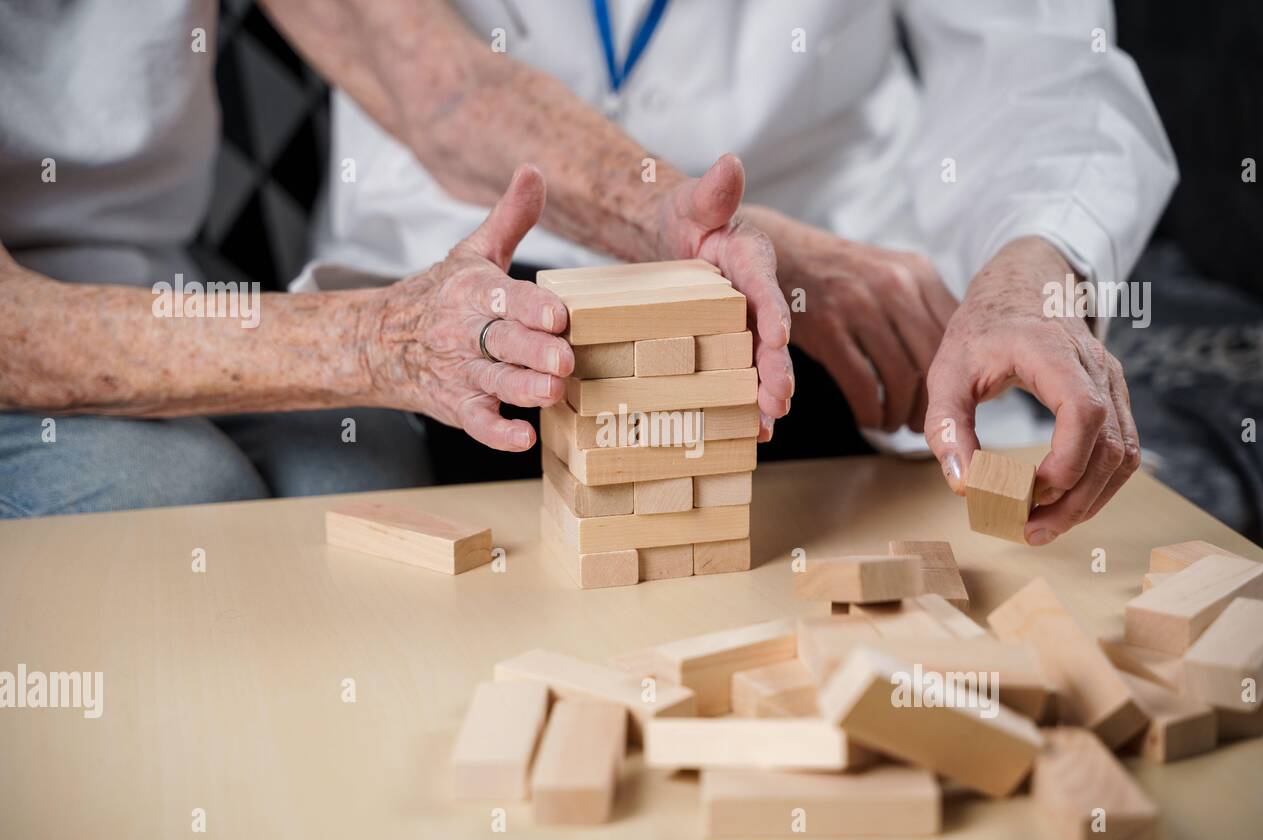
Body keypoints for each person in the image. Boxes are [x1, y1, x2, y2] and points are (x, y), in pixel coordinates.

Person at [291, 0, 1177, 546]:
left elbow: (1041, 61)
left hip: (845, 322)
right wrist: (683, 222)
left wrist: (1029, 275)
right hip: (452, 280)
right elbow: (432, 84)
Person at [0, 1, 789, 518]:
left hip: (156, 276)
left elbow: (437, 87)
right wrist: (382, 341)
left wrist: (657, 216)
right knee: (176, 498)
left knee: (357, 478)